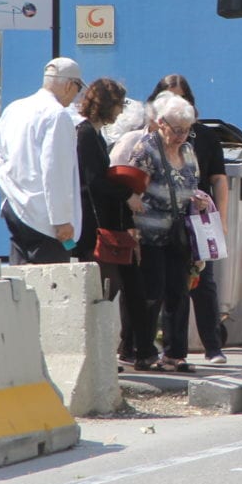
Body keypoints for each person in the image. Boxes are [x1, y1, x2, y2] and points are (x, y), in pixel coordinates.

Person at [123, 92, 215, 372]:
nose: (182, 136)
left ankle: (175, 353)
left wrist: (196, 199)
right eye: (177, 130)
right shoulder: (146, 150)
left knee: (179, 291)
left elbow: (191, 182)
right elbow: (131, 191)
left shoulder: (188, 150)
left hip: (179, 232)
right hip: (150, 233)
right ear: (161, 123)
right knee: (152, 292)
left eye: (186, 130)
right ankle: (144, 351)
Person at [72, 78, 156, 369]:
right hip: (99, 226)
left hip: (109, 223)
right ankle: (112, 353)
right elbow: (93, 182)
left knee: (126, 286)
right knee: (108, 291)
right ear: (108, 104)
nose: (121, 111)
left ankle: (137, 349)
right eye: (119, 104)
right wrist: (127, 195)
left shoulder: (92, 134)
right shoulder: (85, 134)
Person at [148, 74, 230, 364]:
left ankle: (213, 346)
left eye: (180, 99)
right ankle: (162, 347)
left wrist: (221, 219)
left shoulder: (202, 138)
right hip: (160, 224)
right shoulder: (149, 141)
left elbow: (218, 179)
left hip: (196, 221)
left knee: (202, 283)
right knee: (165, 288)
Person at [0, 56, 84, 264]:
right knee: (51, 287)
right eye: (78, 87)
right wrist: (62, 220)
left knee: (22, 284)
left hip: (14, 206)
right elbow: (54, 170)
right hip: (45, 218)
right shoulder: (58, 115)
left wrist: (1, 175)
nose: (77, 95)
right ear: (69, 85)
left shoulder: (16, 108)